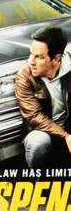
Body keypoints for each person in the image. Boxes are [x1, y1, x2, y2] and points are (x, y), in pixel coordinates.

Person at [15, 25, 71, 169]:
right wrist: (65, 136)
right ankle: (40, 183)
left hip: (68, 124)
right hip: (42, 130)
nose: (31, 61)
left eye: (38, 57)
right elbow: (33, 117)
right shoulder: (25, 75)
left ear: (56, 59)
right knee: (37, 143)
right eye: (30, 54)